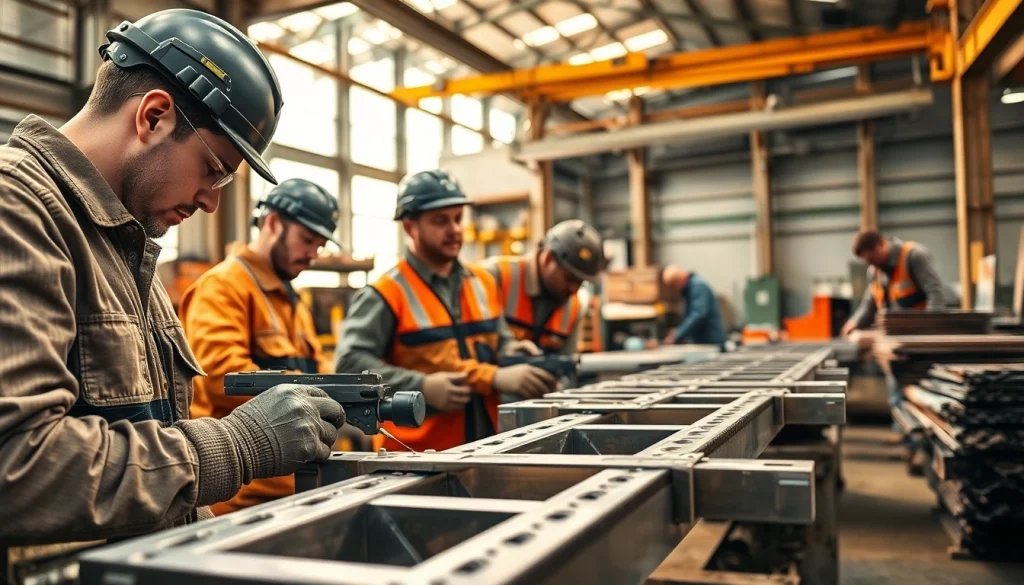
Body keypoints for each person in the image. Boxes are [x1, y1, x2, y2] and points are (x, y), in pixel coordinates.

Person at [0, 9, 343, 564]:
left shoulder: (125, 246)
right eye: (214, 169)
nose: (212, 200)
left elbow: (154, 444)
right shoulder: (18, 211)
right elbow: (17, 465)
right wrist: (236, 446)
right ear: (154, 116)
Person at [334, 170, 557, 452]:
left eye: (457, 219)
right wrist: (421, 386)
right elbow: (349, 366)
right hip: (414, 456)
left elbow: (498, 340)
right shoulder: (386, 293)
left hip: (487, 445)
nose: (454, 229)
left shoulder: (483, 282)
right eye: (441, 221)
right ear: (410, 228)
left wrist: (513, 349)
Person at [179, 178, 341, 515]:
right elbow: (220, 377)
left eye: (320, 244)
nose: (314, 253)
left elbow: (315, 369)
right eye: (307, 239)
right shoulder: (222, 288)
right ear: (271, 223)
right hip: (242, 500)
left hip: (298, 487)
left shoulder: (290, 299)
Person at [482, 220, 606, 355]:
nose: (574, 289)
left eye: (581, 282)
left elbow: (567, 365)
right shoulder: (494, 277)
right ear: (548, 258)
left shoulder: (574, 306)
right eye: (570, 279)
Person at [841, 230, 946, 336]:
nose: (871, 264)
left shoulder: (913, 255)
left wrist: (931, 329)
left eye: (872, 258)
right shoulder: (874, 270)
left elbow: (934, 292)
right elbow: (870, 304)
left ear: (881, 244)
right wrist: (854, 322)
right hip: (894, 338)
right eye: (868, 261)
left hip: (919, 336)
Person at [662, 266, 728, 347]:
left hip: (711, 342)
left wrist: (678, 334)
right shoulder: (690, 290)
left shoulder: (698, 287)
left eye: (673, 286)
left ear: (679, 280)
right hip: (704, 343)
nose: (674, 290)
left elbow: (698, 314)